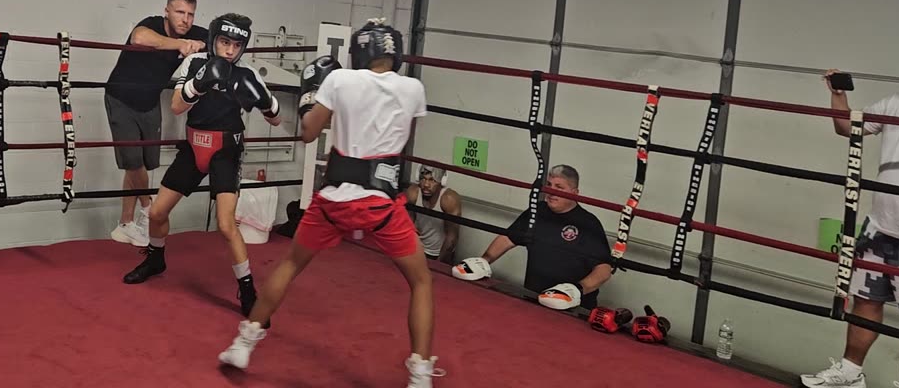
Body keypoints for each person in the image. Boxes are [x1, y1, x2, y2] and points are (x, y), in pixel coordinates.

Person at [217, 19, 445, 388]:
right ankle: (420, 375)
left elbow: (308, 132)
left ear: (358, 51)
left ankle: (243, 344)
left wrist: (312, 93)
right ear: (395, 53)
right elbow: (401, 136)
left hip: (334, 200)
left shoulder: (340, 81)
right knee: (420, 281)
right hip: (381, 205)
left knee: (290, 264)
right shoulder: (414, 89)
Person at [122, 13, 283, 319]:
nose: (230, 51)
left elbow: (276, 120)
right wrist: (201, 83)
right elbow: (176, 106)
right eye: (225, 42)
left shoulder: (248, 73)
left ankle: (247, 288)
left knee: (225, 224)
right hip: (194, 146)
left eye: (237, 44)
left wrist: (266, 102)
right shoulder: (195, 63)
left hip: (226, 151)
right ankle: (156, 258)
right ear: (213, 40)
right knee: (156, 212)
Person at [800, 70, 899, 388]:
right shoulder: (895, 104)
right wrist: (838, 95)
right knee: (865, 301)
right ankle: (850, 371)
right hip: (881, 226)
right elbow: (847, 127)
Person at [104, 0, 207, 247]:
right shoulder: (151, 24)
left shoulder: (193, 32)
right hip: (121, 98)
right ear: (167, 11)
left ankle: (125, 224)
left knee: (145, 164)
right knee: (132, 161)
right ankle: (149, 209)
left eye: (190, 15)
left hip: (149, 103)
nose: (185, 20)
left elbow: (217, 39)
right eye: (180, 12)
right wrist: (181, 45)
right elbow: (139, 38)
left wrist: (200, 45)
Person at [452, 164, 612, 312]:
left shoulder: (588, 223)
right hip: (534, 299)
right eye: (549, 185)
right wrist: (483, 261)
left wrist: (577, 289)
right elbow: (508, 238)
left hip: (573, 308)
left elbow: (604, 270)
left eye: (559, 187)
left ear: (575, 193)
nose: (551, 191)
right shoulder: (537, 212)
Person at [407, 166, 462, 264]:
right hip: (418, 250)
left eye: (432, 180)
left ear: (442, 182)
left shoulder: (449, 199)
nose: (426, 184)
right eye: (423, 179)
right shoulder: (413, 192)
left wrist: (438, 263)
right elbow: (408, 225)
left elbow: (452, 237)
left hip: (440, 253)